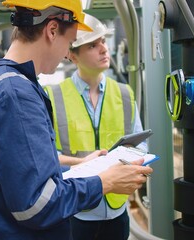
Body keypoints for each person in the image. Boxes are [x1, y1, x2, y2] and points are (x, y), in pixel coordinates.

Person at [0, 0, 153, 239]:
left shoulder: (4, 83)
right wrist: (103, 182)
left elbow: (25, 171)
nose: (66, 55)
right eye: (69, 43)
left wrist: (78, 165)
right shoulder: (16, 95)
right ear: (52, 30)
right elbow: (36, 205)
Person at [44, 14, 147, 240]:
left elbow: (141, 145)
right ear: (72, 55)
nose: (103, 49)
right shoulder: (53, 97)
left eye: (102, 41)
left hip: (117, 210)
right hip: (76, 210)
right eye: (93, 45)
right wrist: (80, 165)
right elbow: (47, 157)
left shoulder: (124, 93)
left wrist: (135, 166)